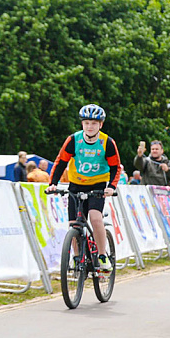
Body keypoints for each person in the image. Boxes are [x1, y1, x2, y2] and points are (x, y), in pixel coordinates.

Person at [48, 104, 121, 272]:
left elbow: (116, 167)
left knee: (95, 219)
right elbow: (61, 162)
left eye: (94, 123)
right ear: (82, 124)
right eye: (86, 123)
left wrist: (111, 187)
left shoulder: (107, 142)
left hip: (97, 186)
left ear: (100, 125)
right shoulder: (74, 140)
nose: (90, 127)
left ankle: (102, 256)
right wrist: (53, 183)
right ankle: (76, 256)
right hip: (76, 184)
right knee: (74, 224)